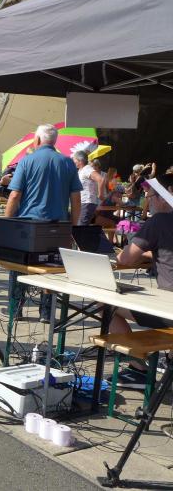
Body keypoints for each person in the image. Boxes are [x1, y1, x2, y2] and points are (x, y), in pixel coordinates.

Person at [5, 123, 82, 322]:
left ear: (37, 139)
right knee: (51, 267)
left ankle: (16, 308)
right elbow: (76, 199)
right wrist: (72, 227)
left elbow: (14, 195)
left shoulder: (26, 161)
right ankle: (47, 312)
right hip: (58, 226)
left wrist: (7, 223)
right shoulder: (68, 163)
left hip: (29, 224)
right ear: (54, 141)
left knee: (19, 265)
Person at [110, 172, 173, 388]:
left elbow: (125, 259)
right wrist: (153, 252)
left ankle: (138, 368)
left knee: (105, 305)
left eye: (151, 196)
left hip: (169, 311)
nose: (148, 201)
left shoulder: (160, 220)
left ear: (167, 195)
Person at [72, 150, 105, 225]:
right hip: (83, 202)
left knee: (81, 227)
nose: (73, 162)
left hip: (87, 202)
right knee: (80, 226)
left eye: (74, 160)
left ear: (80, 161)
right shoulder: (81, 170)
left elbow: (100, 179)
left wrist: (100, 195)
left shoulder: (87, 169)